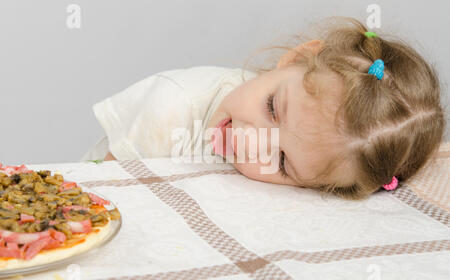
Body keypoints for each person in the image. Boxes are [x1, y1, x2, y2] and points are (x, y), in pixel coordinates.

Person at [82, 17, 446, 200]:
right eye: (272, 108)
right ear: (295, 58)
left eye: (283, 161)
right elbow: (99, 196)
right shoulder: (170, 104)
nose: (249, 140)